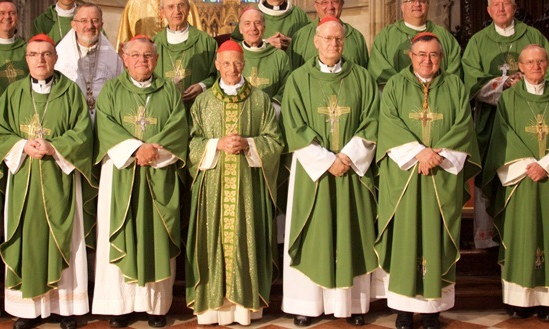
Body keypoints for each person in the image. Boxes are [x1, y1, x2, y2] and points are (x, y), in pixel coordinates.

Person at [375, 33, 480, 329]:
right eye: (421, 54)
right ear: (411, 56)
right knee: (405, 236)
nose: (427, 60)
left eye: (433, 55)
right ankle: (403, 310)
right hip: (405, 176)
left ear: (441, 58)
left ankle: (434, 310)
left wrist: (437, 155)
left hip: (440, 174)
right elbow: (389, 123)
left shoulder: (454, 86)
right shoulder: (395, 85)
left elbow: (463, 125)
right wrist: (419, 153)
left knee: (437, 236)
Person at [0, 34, 94, 329]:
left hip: (60, 177)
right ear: (26, 59)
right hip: (24, 178)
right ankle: (28, 309)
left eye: (46, 54)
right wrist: (22, 145)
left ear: (55, 58)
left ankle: (66, 308)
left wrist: (53, 147)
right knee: (27, 239)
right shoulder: (13, 93)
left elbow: (82, 133)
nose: (40, 60)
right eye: (34, 54)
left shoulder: (70, 92)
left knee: (66, 239)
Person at [281, 17, 379, 326]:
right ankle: (307, 305)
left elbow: (372, 120)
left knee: (352, 230)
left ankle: (351, 305)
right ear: (316, 41)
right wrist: (325, 160)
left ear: (345, 42)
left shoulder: (362, 78)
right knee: (313, 230)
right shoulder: (298, 79)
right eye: (327, 38)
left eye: (338, 39)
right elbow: (293, 125)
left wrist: (347, 156)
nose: (333, 44)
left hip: (351, 169)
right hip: (313, 173)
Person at [91, 35, 189, 328]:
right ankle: (118, 306)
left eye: (147, 56)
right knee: (119, 229)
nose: (141, 61)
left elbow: (177, 127)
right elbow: (105, 126)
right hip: (121, 172)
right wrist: (136, 149)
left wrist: (151, 151)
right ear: (124, 59)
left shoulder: (169, 91)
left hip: (159, 170)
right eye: (135, 55)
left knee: (155, 235)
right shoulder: (111, 90)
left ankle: (155, 307)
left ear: (156, 60)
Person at [186, 40, 284, 325]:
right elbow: (191, 143)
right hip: (213, 186)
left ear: (245, 64)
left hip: (248, 187)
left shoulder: (260, 100)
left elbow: (275, 142)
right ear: (217, 65)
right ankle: (212, 306)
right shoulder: (203, 102)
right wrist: (216, 144)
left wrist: (249, 144)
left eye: (237, 63)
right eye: (226, 63)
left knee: (246, 236)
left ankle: (244, 307)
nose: (232, 69)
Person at [481, 45, 549, 322]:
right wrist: (529, 166)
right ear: (520, 67)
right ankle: (518, 301)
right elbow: (503, 136)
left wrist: (546, 165)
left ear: (548, 65)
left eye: (541, 61)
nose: (536, 66)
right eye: (530, 62)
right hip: (520, 180)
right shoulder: (509, 99)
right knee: (519, 234)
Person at [462, 0, 549, 248]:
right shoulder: (478, 42)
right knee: (490, 172)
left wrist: (526, 84)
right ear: (488, 10)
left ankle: (524, 234)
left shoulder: (534, 36)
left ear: (515, 8)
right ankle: (487, 238)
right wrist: (504, 83)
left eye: (506, 4)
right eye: (496, 5)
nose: (501, 9)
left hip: (530, 120)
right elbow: (470, 80)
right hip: (491, 119)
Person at [369, 0, 462, 86]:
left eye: (422, 1)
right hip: (398, 93)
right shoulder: (386, 36)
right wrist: (405, 88)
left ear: (428, 6)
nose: (417, 4)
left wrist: (435, 88)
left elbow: (454, 70)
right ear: (402, 7)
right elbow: (378, 69)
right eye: (411, 1)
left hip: (439, 93)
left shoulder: (444, 36)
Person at [55, 3, 124, 118]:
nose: (90, 25)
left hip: (104, 119)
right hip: (71, 118)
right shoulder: (59, 57)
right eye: (83, 21)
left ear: (101, 25)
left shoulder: (114, 60)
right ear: (74, 25)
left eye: (95, 21)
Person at [153, 0, 218, 106]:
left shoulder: (206, 42)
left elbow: (218, 75)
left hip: (198, 107)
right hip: (164, 108)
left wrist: (202, 86)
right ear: (162, 12)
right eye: (171, 7)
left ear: (188, 9)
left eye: (181, 5)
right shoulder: (153, 45)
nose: (177, 11)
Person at [291, 0, 368, 69]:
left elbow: (363, 73)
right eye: (324, 2)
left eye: (335, 2)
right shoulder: (301, 36)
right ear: (316, 6)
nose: (330, 7)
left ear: (342, 4)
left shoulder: (356, 37)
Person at [231, 0, 310, 50]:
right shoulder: (251, 14)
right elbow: (234, 45)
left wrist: (292, 43)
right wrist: (263, 43)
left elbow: (311, 43)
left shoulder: (299, 14)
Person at [237, 7, 292, 108]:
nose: (253, 28)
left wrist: (274, 108)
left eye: (257, 23)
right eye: (247, 23)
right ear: (240, 29)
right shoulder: (232, 54)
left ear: (264, 27)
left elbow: (287, 85)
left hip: (271, 112)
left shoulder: (279, 56)